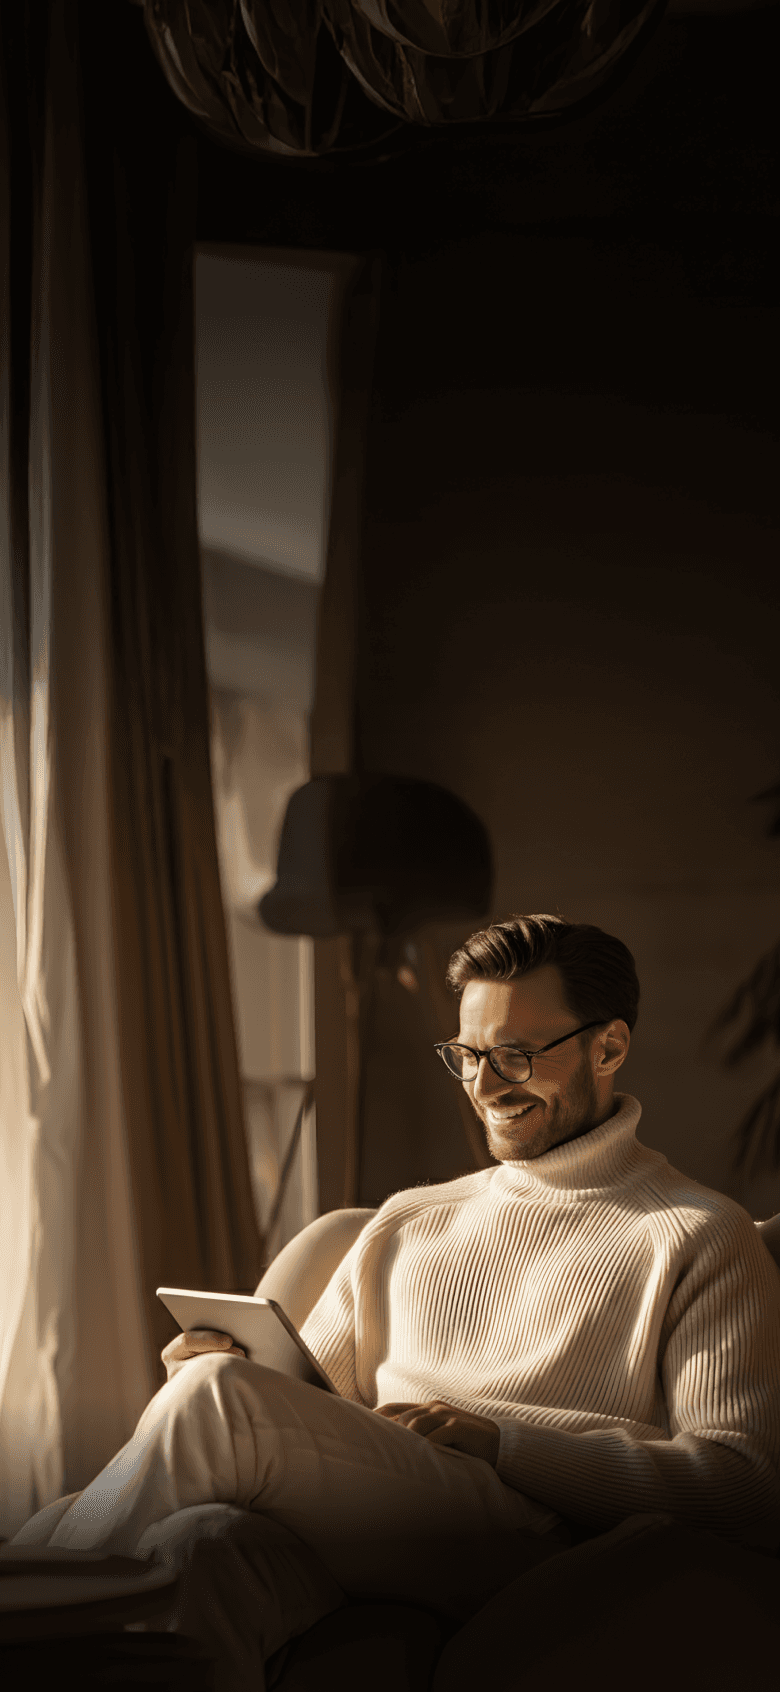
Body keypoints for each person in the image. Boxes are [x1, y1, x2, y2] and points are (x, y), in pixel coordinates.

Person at [14, 915, 780, 1681]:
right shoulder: (410, 1219)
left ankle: (20, 1618)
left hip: (535, 1530)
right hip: (382, 1514)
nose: (485, 1087)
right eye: (468, 1056)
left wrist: (503, 1442)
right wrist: (221, 1370)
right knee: (197, 1545)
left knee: (218, 1404)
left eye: (514, 1056)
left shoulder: (697, 1234)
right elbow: (305, 1414)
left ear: (607, 1048)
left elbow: (741, 1480)